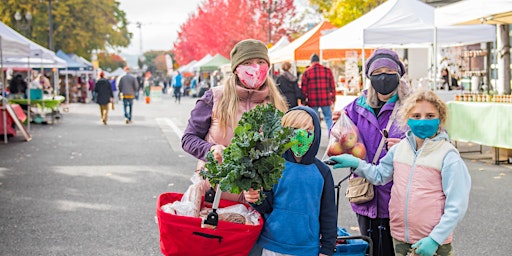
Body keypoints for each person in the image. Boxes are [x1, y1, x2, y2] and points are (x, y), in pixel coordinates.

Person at [329, 89, 471, 256]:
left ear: (441, 119)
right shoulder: (399, 149)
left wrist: (435, 239)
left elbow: (457, 205)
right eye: (416, 116)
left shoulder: (448, 156)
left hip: (433, 242)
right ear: (407, 119)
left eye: (430, 116)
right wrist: (356, 163)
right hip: (400, 238)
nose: (423, 121)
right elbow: (379, 175)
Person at [181, 38, 288, 203]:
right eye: (248, 62)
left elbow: (283, 152)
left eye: (261, 61)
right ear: (236, 69)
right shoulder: (215, 97)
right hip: (212, 197)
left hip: (256, 203)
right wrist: (211, 150)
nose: (255, 67)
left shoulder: (277, 104)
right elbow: (188, 139)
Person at [331, 48, 410, 256]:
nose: (383, 77)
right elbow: (339, 142)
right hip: (366, 194)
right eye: (377, 72)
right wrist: (339, 127)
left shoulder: (413, 107)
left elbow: (432, 139)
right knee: (371, 248)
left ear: (399, 74)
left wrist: (407, 147)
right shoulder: (356, 107)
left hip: (401, 196)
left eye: (389, 71)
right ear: (369, 77)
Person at [243, 106, 337, 256]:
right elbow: (266, 206)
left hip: (307, 248)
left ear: (316, 133)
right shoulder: (273, 165)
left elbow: (329, 213)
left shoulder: (322, 172)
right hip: (272, 244)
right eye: (293, 130)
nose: (300, 135)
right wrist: (254, 197)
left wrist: (327, 248)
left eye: (307, 130)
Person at [300, 53, 336, 130]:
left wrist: (303, 100)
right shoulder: (327, 70)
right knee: (328, 118)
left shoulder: (307, 72)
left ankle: (317, 137)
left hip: (313, 100)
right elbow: (332, 86)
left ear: (311, 61)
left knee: (314, 120)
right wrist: (333, 98)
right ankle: (332, 135)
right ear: (319, 61)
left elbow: (304, 88)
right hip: (325, 99)